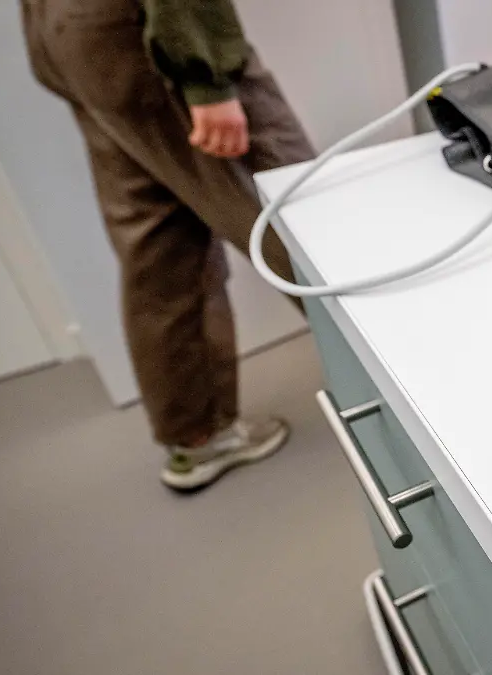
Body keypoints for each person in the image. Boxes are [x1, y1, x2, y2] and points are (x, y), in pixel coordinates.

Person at [20, 0, 315, 490]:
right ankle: (426, 400)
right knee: (303, 215)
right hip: (146, 30)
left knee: (158, 235)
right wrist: (205, 74)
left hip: (64, 29)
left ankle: (199, 438)